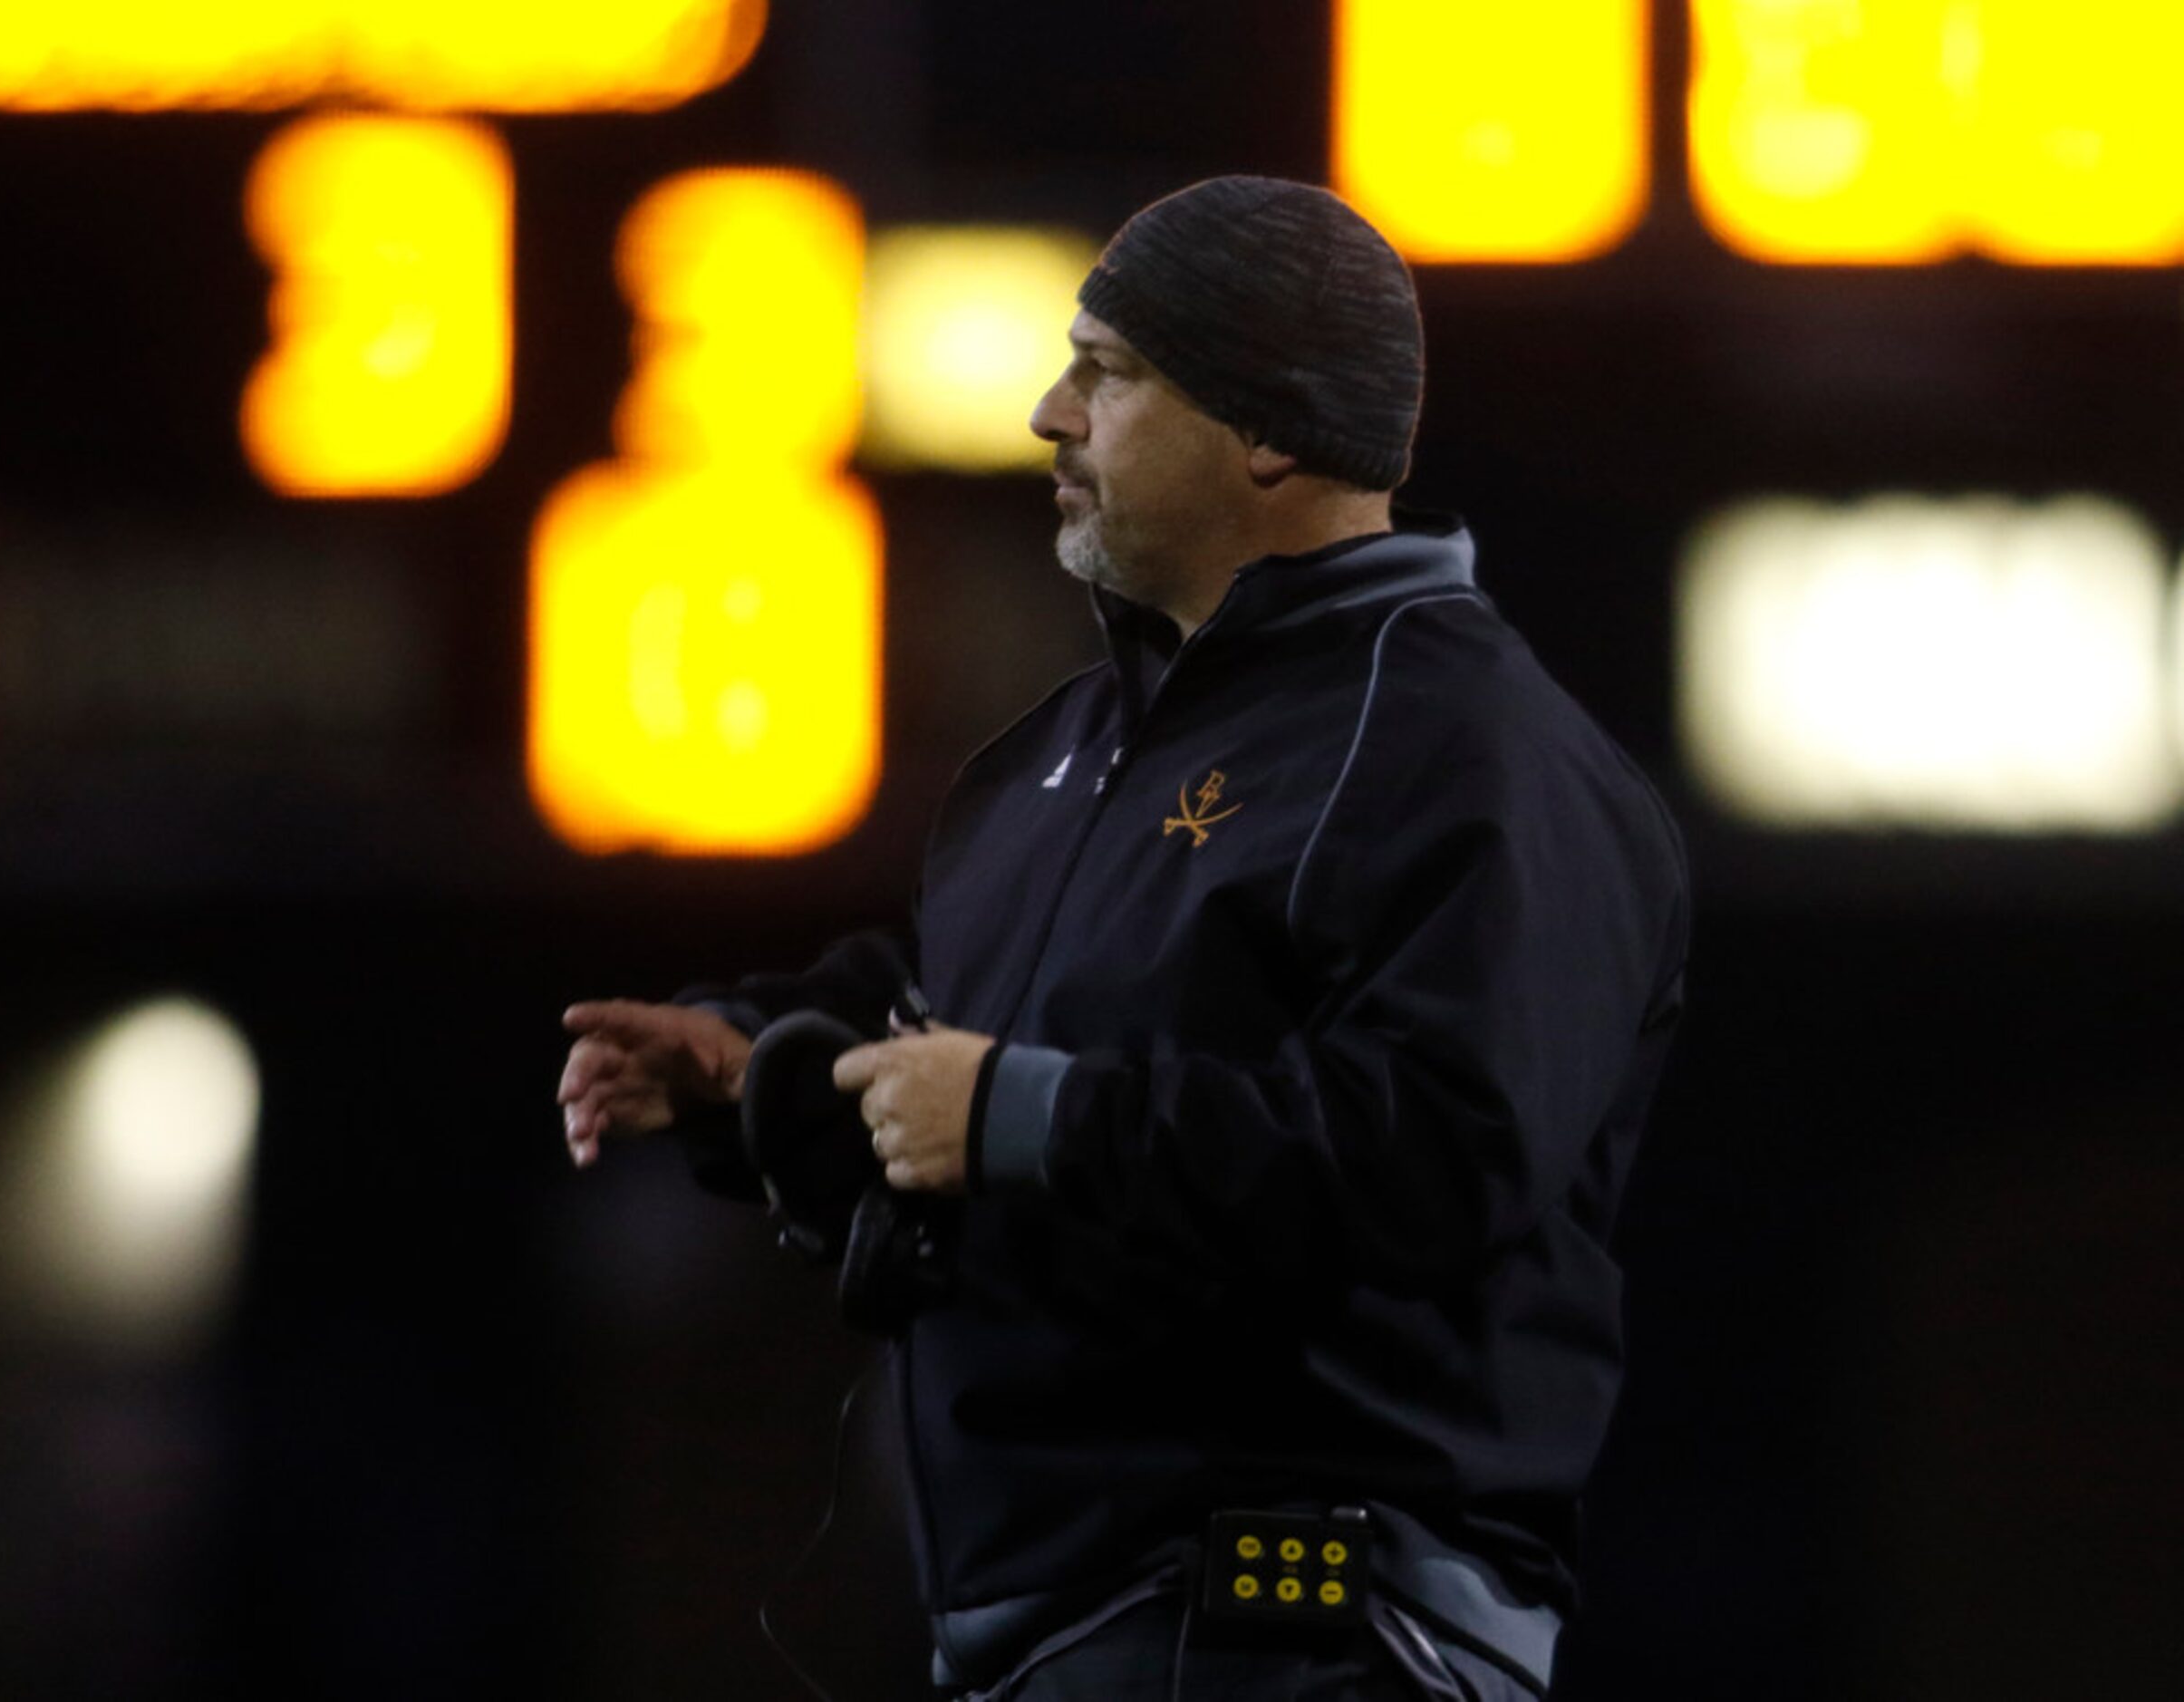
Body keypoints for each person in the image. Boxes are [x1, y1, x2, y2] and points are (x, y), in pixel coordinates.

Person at [556, 177, 1688, 1700]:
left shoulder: (1467, 746)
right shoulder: (1070, 753)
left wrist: (1018, 1113)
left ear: (1269, 428)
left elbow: (1442, 1156)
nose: (1048, 413)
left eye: (1110, 371)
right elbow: (971, 1049)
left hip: (1308, 1631)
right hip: (1080, 1635)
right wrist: (759, 1068)